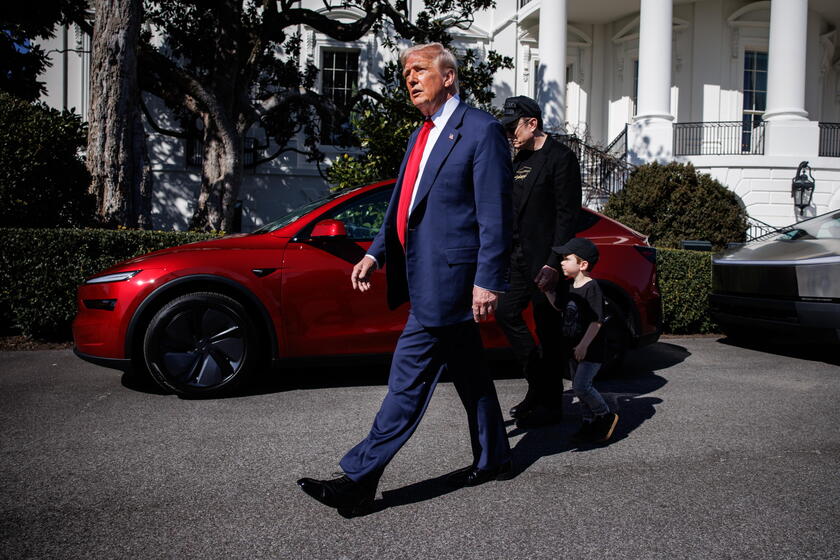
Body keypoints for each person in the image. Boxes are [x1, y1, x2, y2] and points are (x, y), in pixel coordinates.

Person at [297, 43, 513, 516]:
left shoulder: (481, 130)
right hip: (423, 275)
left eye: (419, 70)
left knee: (406, 382)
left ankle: (357, 479)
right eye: (405, 73)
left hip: (451, 282)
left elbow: (496, 216)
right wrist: (375, 254)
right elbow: (401, 205)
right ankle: (496, 457)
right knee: (471, 374)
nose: (410, 79)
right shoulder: (422, 135)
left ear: (449, 76)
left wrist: (487, 280)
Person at [495, 96, 581, 429]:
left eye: (512, 127)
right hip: (516, 258)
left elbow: (567, 216)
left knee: (548, 332)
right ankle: (538, 387)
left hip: (546, 262)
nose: (508, 134)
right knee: (506, 313)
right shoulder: (518, 160)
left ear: (532, 123)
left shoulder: (561, 158)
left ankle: (551, 404)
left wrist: (553, 262)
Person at [547, 237, 619, 443]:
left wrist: (583, 345)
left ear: (583, 264)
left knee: (581, 386)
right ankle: (588, 423)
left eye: (566, 258)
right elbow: (559, 306)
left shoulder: (592, 287)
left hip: (589, 350)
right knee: (579, 391)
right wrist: (546, 292)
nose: (561, 262)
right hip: (573, 349)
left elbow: (597, 321)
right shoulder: (569, 287)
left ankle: (605, 415)